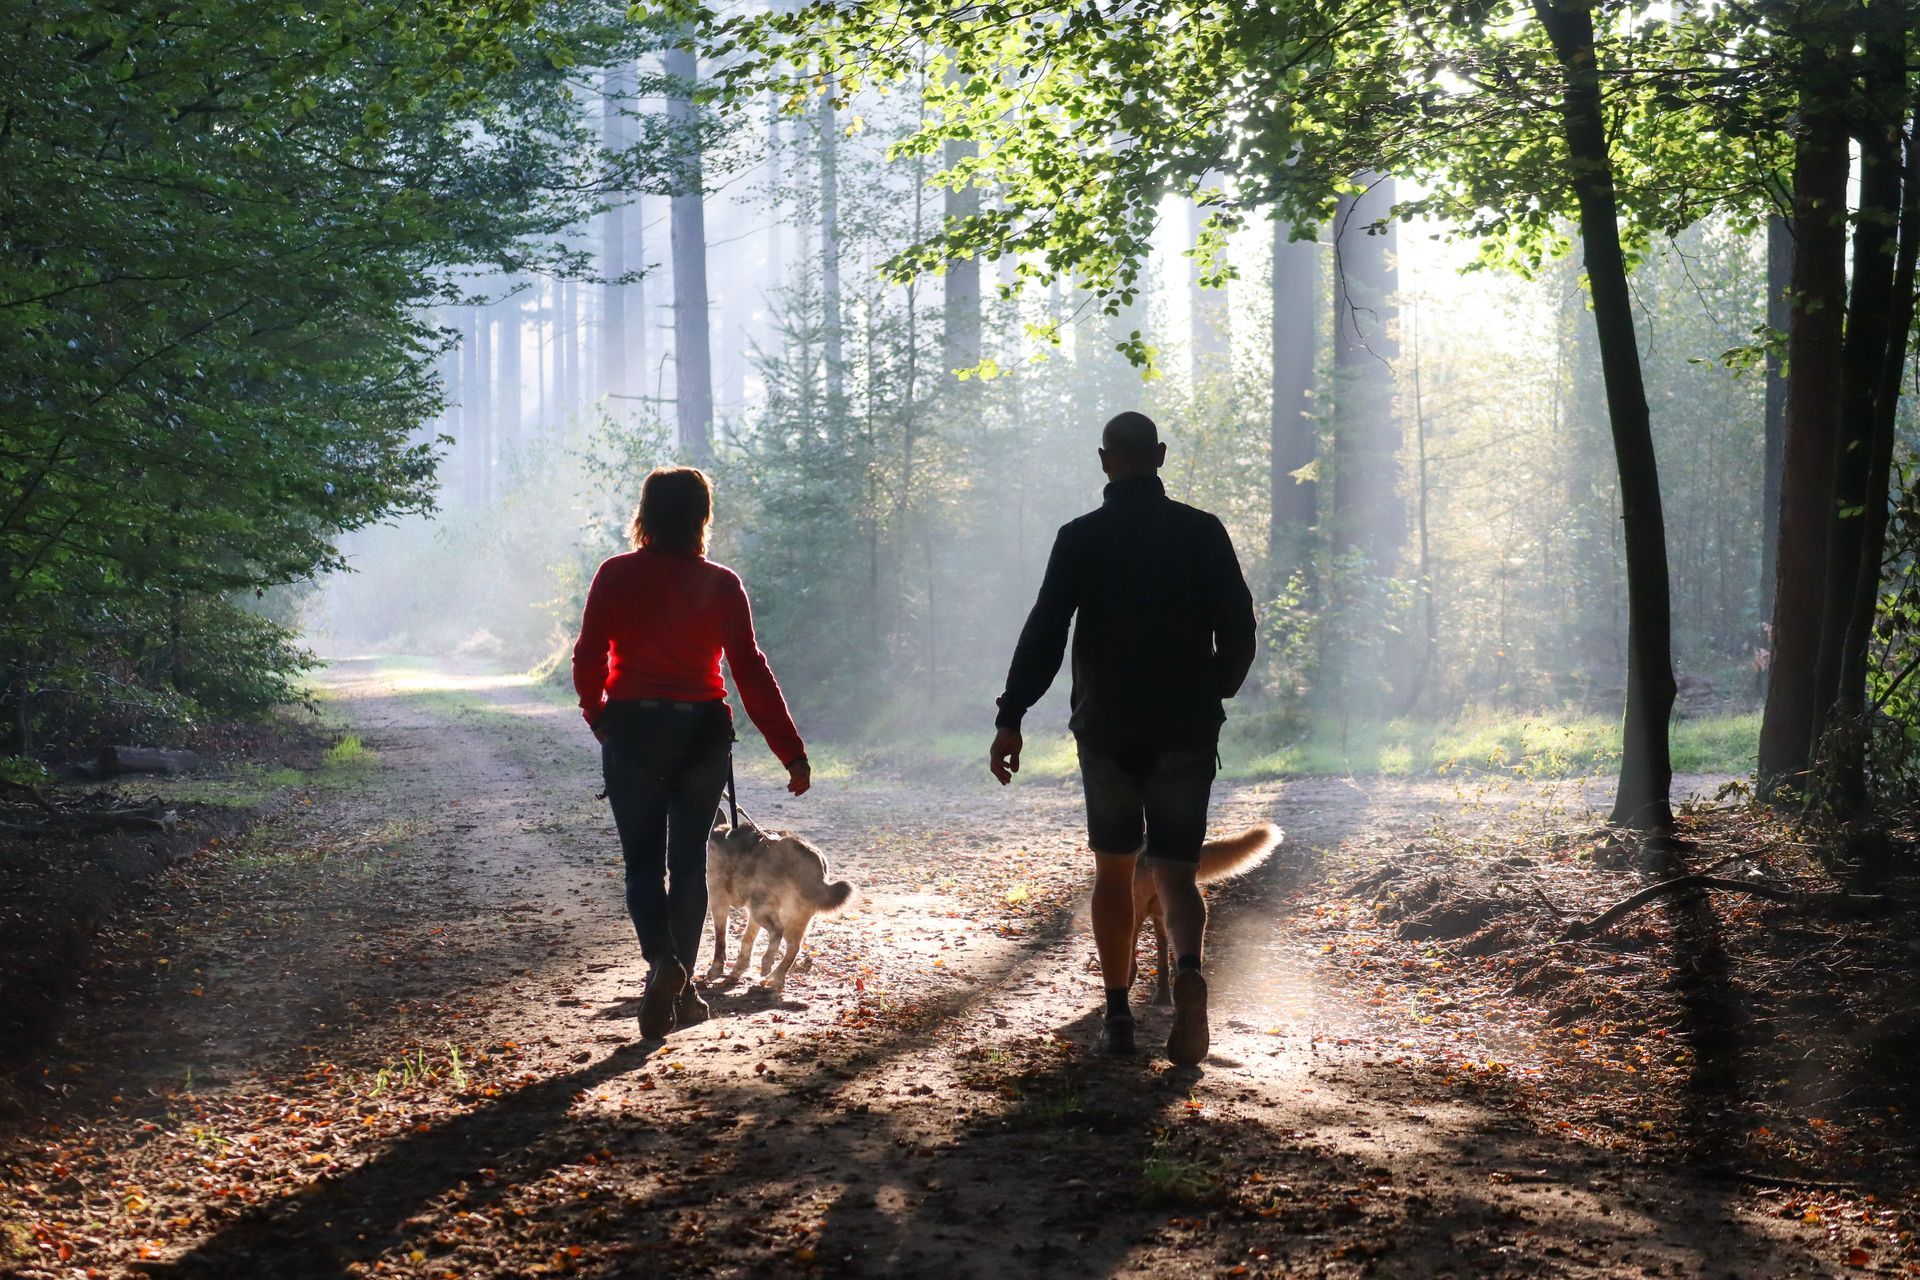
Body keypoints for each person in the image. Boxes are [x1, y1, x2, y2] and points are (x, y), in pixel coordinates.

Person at [989, 412, 1256, 1063]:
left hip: (1107, 729)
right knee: (1176, 868)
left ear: (1105, 460)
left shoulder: (1080, 538)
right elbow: (1240, 625)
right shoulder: (1202, 531)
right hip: (1186, 727)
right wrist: (1215, 687)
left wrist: (1011, 713)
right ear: (1159, 456)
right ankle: (1188, 969)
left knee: (1113, 871)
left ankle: (1116, 1016)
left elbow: (1046, 630)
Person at [573, 466, 811, 1039]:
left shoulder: (615, 574)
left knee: (641, 865)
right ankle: (678, 993)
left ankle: (664, 965)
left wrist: (599, 717)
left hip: (632, 729)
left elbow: (588, 656)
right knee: (686, 867)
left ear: (646, 514)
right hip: (701, 733)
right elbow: (749, 671)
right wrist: (791, 752)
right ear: (703, 517)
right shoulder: (721, 583)